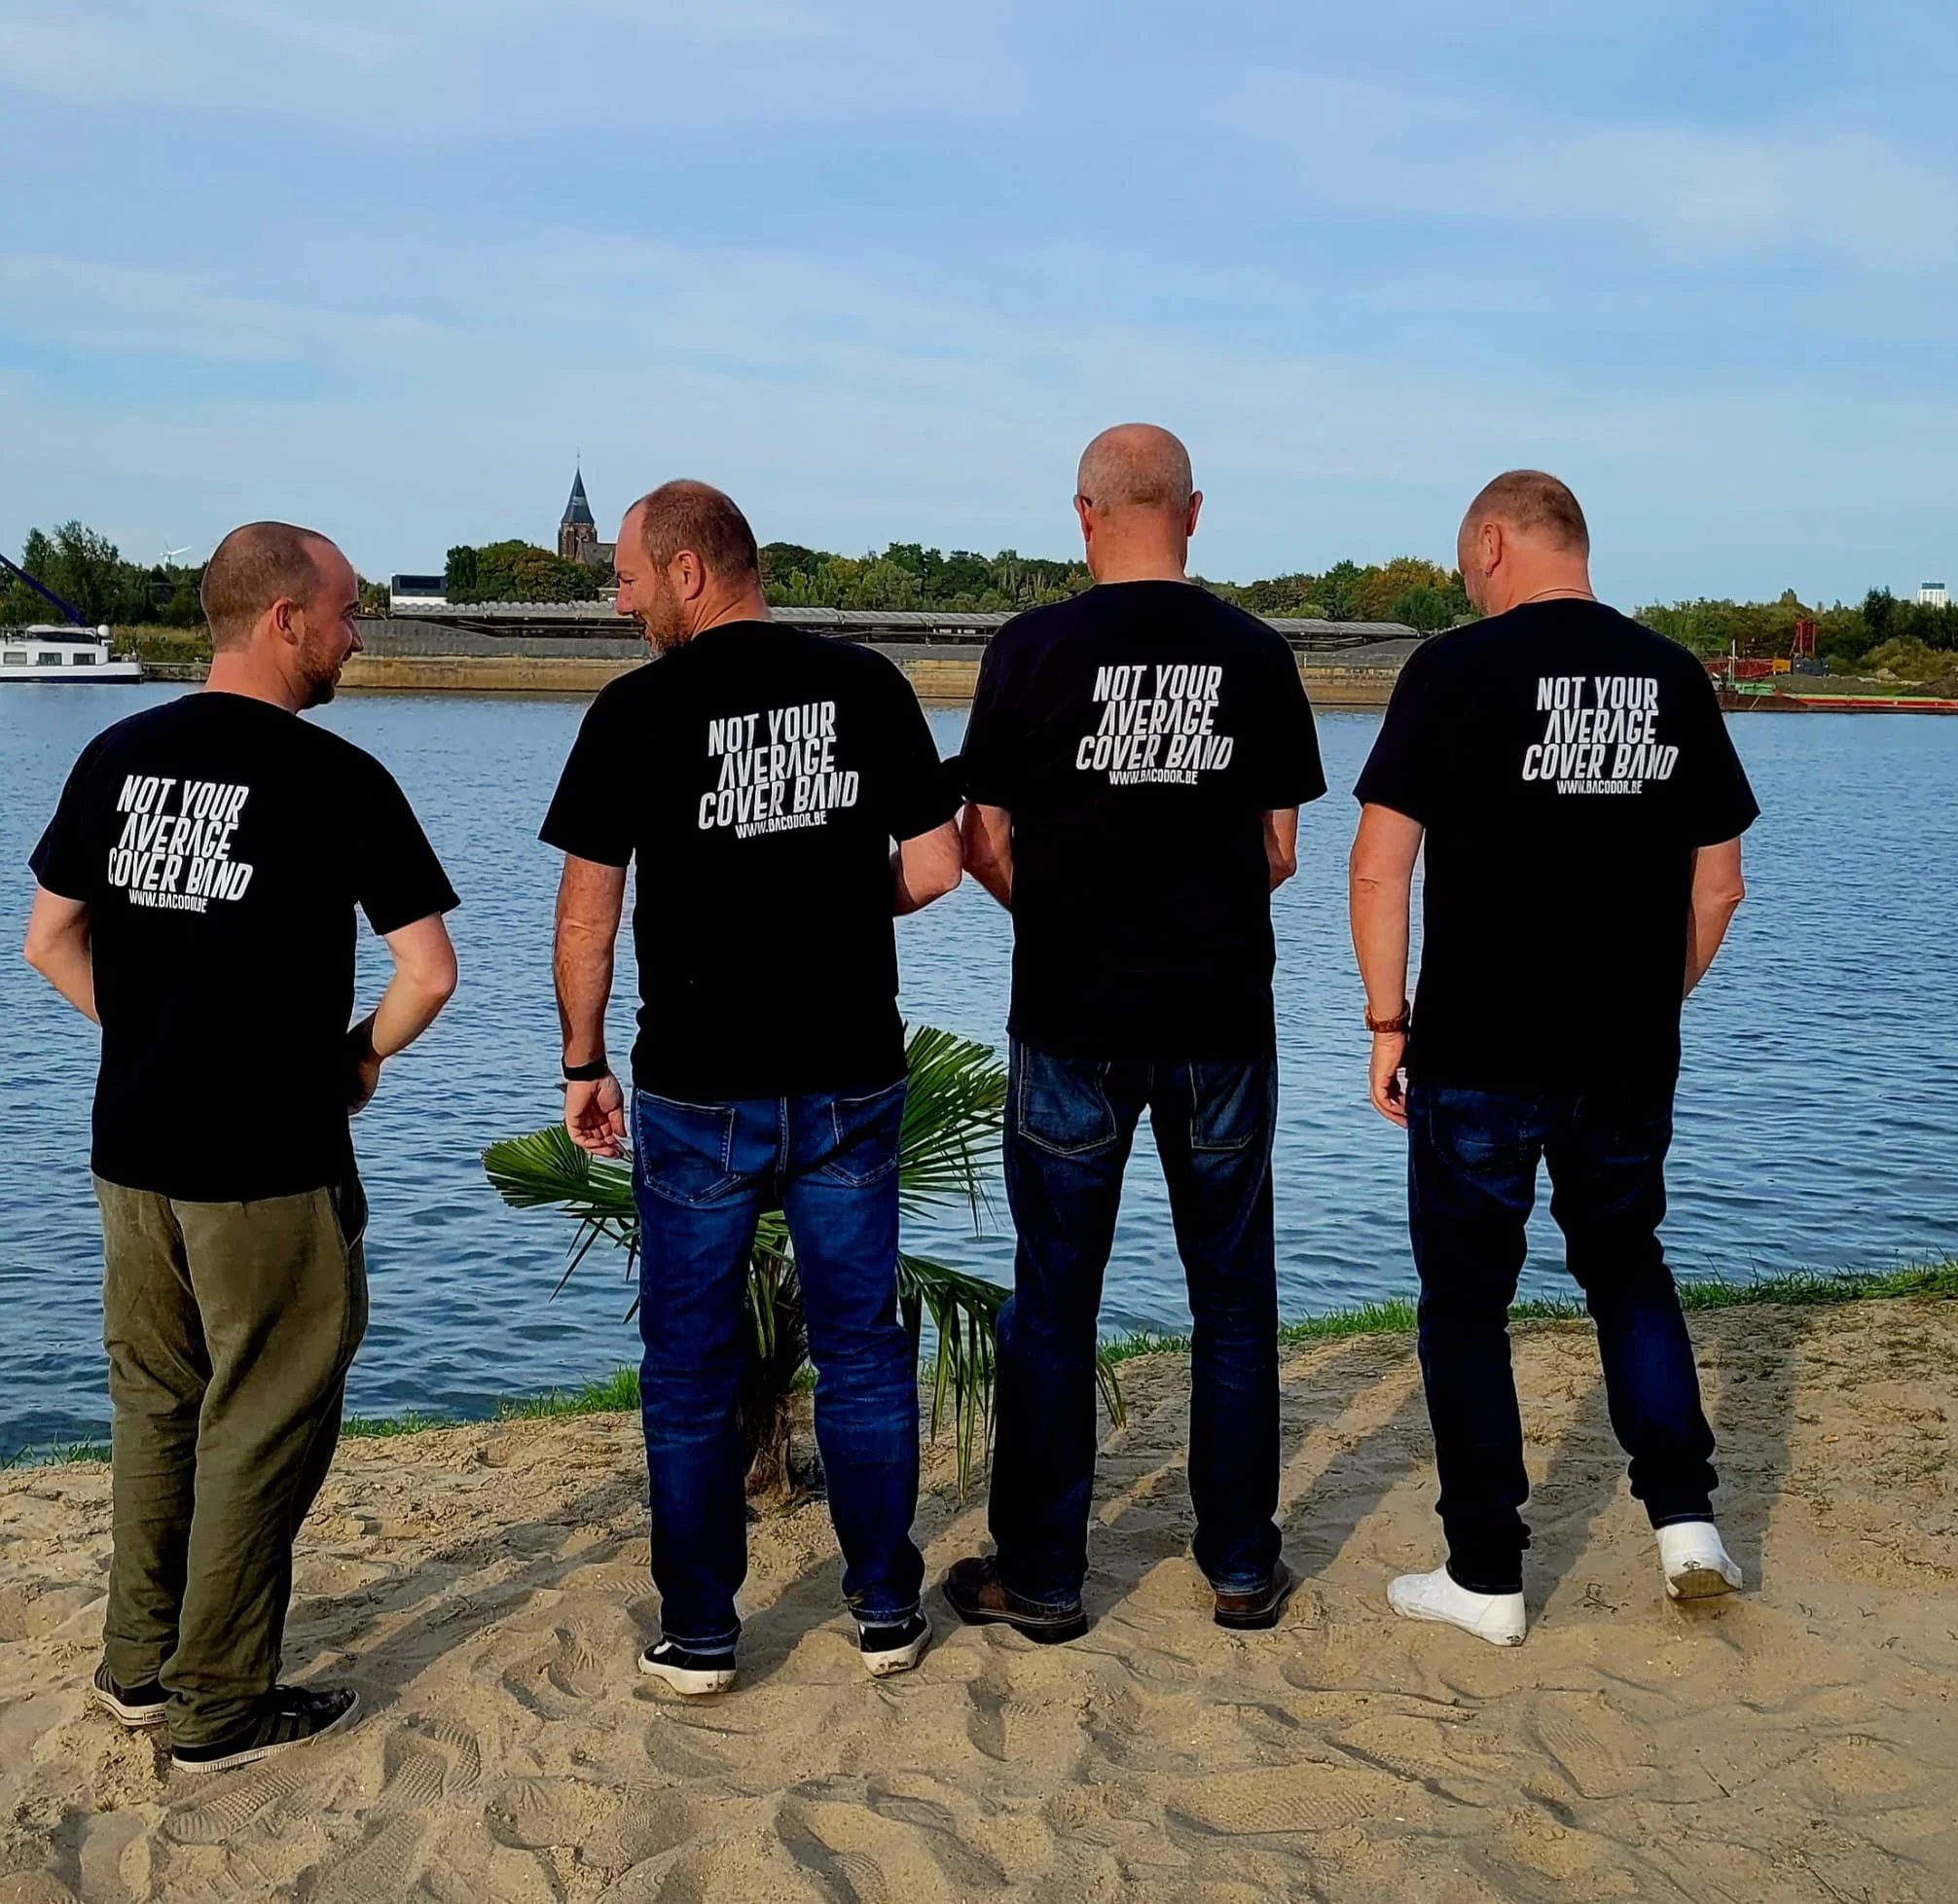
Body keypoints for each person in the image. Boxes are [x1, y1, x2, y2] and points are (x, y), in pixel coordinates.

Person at [23, 522, 459, 1768]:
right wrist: (361, 1053)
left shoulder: (118, 753)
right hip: (268, 1158)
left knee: (156, 1404)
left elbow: (49, 941)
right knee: (265, 1415)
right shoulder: (338, 778)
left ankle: (136, 1668)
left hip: (133, 1147)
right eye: (345, 610)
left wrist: (159, 1030)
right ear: (283, 618)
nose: (358, 632)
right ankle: (222, 1704)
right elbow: (426, 972)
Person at [541, 480, 961, 1696]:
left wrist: (582, 1060)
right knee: (865, 1352)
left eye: (625, 577)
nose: (617, 601)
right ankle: (886, 1610)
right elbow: (932, 865)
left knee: (686, 1367)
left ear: (687, 571)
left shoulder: (633, 709)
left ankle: (703, 1635)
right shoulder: (868, 683)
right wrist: (842, 907)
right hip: (847, 1077)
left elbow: (586, 910)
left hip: (698, 1085)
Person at [1348, 471, 1758, 1647]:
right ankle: (1683, 1520)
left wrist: (1386, 1023)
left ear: (1491, 541)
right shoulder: (1674, 674)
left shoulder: (1452, 669)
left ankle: (1485, 1570)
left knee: (1465, 1306)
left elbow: (1380, 868)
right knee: (1625, 1265)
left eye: (1464, 558)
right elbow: (1717, 883)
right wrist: (1645, 998)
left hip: (1477, 1046)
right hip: (1624, 1051)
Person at [944, 424, 1326, 1642]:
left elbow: (979, 841)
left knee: (1053, 1300)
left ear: (1082, 515)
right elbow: (1277, 849)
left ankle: (1045, 1578)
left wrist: (1063, 917)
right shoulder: (1255, 652)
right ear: (1195, 513)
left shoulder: (1028, 647)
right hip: (1221, 1013)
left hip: (1069, 1013)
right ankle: (1238, 1569)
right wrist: (1191, 914)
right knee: (1231, 1298)